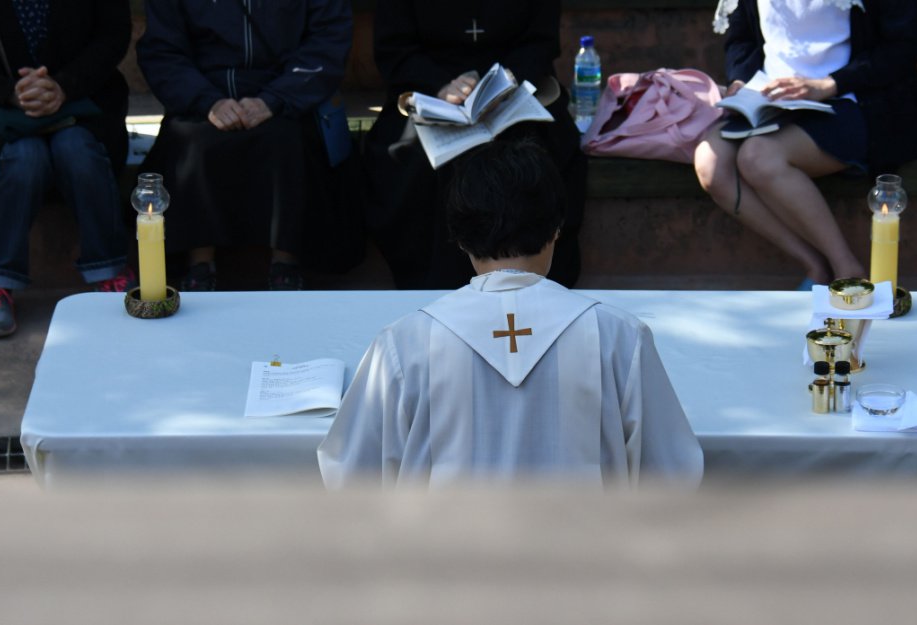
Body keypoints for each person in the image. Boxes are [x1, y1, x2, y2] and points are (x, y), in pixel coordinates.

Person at [318, 140, 704, 489]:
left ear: (461, 238)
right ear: (557, 229)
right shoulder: (618, 337)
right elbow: (672, 475)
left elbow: (349, 475)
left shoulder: (405, 343)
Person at [0, 0, 136, 339]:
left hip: (87, 102)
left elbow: (113, 35)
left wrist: (62, 87)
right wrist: (11, 93)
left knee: (77, 151)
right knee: (25, 157)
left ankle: (110, 267)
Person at [697, 0, 917, 289]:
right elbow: (741, 38)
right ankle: (814, 264)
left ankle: (847, 267)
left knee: (757, 158)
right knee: (710, 163)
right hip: (770, 100)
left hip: (856, 100)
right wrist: (740, 80)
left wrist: (828, 85)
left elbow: (903, 48)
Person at [364, 0, 586, 290]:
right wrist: (440, 86)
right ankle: (435, 286)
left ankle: (531, 280)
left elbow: (540, 43)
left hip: (511, 89)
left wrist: (506, 81)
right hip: (431, 93)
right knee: (415, 159)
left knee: (538, 146)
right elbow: (394, 49)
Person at [136, 0, 353, 291]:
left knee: (287, 138)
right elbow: (162, 51)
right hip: (204, 96)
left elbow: (327, 42)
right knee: (193, 140)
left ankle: (285, 263)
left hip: (285, 96)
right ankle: (200, 264)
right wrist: (207, 102)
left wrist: (274, 100)